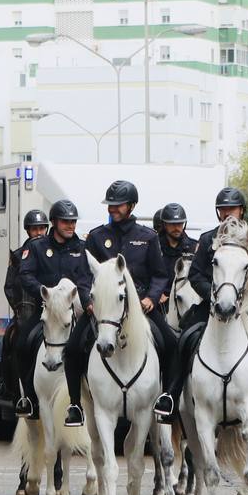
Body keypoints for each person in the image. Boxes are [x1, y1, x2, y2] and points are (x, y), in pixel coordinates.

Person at [171, 187, 248, 424]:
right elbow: (196, 275)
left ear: (242, 210)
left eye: (232, 209)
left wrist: (247, 296)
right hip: (213, 306)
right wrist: (215, 297)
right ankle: (172, 395)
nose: (227, 213)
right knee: (185, 338)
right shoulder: (207, 239)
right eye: (223, 209)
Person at [66, 180, 173, 420]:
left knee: (171, 344)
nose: (112, 209)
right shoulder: (96, 237)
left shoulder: (148, 237)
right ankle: (75, 405)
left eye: (118, 205)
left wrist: (152, 298)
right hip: (103, 308)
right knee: (72, 348)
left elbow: (160, 274)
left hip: (140, 306)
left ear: (132, 206)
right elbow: (83, 276)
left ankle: (166, 397)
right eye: (110, 205)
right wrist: (87, 302)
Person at [15, 200, 94, 426]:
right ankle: (28, 398)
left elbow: (87, 277)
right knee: (22, 343)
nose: (70, 225)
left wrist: (84, 299)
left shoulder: (81, 248)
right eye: (65, 221)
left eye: (73, 221)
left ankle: (86, 398)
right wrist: (44, 293)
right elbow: (25, 274)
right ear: (54, 223)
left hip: (74, 309)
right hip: (47, 309)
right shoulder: (38, 247)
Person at [3, 209, 50, 417]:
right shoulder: (17, 255)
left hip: (50, 309)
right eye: (34, 229)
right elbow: (9, 286)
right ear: (28, 230)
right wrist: (19, 308)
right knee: (10, 341)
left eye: (41, 228)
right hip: (25, 309)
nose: (38, 232)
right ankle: (16, 390)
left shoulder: (52, 253)